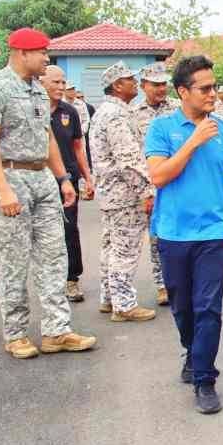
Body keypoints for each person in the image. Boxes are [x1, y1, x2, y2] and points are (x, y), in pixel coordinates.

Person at [0, 28, 97, 358]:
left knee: (55, 256)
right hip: (10, 178)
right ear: (21, 53)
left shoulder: (40, 92)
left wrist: (64, 178)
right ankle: (15, 334)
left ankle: (57, 330)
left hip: (42, 178)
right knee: (14, 261)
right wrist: (2, 188)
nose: (46, 58)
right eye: (42, 52)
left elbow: (49, 138)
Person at [145, 55, 223, 415]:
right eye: (205, 88)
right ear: (183, 91)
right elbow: (159, 176)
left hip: (214, 234)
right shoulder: (161, 129)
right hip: (172, 233)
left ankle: (205, 378)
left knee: (208, 309)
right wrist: (193, 141)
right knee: (182, 307)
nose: (213, 94)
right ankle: (192, 352)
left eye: (214, 87)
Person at [89, 61, 157, 322]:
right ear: (117, 86)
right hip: (124, 194)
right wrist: (146, 191)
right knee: (125, 250)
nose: (136, 83)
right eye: (130, 79)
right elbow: (128, 158)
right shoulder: (116, 115)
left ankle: (109, 298)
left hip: (111, 194)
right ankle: (124, 305)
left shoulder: (107, 111)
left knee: (111, 247)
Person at [40, 65, 95, 303]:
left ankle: (71, 280)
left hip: (68, 181)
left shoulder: (69, 112)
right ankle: (47, 282)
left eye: (63, 83)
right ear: (41, 82)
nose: (61, 87)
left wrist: (87, 177)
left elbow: (77, 147)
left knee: (69, 230)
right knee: (42, 234)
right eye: (56, 82)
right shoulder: (33, 110)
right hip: (40, 180)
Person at [133, 62, 181, 306]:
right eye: (155, 85)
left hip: (178, 180)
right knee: (156, 237)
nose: (161, 89)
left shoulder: (177, 109)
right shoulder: (133, 114)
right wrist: (146, 191)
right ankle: (162, 284)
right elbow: (134, 155)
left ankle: (179, 281)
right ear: (143, 86)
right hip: (150, 182)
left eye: (164, 84)